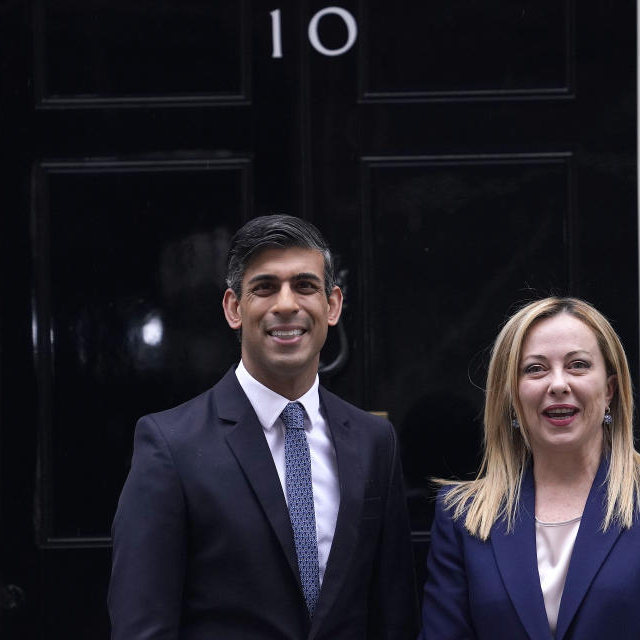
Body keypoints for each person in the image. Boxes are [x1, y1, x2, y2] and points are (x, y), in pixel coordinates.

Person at [109, 215, 418, 639]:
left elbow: (394, 617)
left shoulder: (374, 442)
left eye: (305, 286)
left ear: (333, 305)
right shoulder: (170, 445)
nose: (286, 304)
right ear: (234, 308)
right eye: (265, 287)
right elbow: (143, 627)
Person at [419, 297, 640, 640]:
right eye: (535, 368)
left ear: (609, 390)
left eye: (578, 365)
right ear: (511, 396)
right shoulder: (463, 515)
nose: (558, 384)